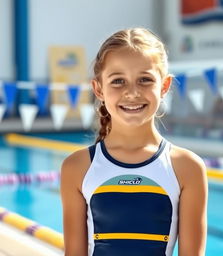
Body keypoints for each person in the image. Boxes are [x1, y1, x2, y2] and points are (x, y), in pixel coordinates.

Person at [61, 28, 208, 256]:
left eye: (145, 80)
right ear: (98, 89)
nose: (132, 92)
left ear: (164, 86)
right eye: (118, 81)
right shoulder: (77, 167)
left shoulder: (187, 167)